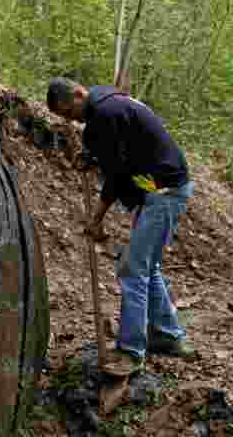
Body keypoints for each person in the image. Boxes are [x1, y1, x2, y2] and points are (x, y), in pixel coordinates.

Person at [47, 77, 196, 377]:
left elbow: (116, 175)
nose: (70, 119)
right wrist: (92, 157)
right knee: (146, 267)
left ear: (78, 93)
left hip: (163, 193)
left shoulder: (106, 113)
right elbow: (120, 152)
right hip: (159, 190)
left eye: (68, 111)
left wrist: (96, 217)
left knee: (133, 270)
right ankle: (167, 336)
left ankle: (131, 350)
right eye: (63, 117)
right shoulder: (108, 103)